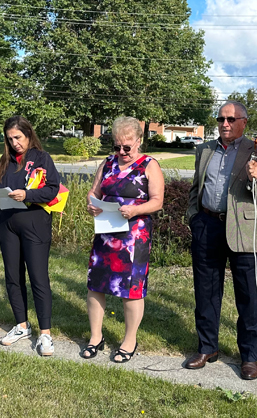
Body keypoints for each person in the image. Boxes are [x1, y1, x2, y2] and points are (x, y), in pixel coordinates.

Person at [185, 101, 257, 380]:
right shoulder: (205, 150)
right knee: (206, 291)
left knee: (248, 295)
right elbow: (195, 187)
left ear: (243, 122)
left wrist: (256, 179)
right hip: (207, 226)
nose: (224, 124)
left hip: (244, 231)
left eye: (231, 119)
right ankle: (207, 347)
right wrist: (194, 217)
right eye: (221, 118)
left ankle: (249, 357)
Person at [84, 117, 164, 362]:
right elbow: (94, 192)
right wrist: (91, 204)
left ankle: (129, 340)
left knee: (131, 289)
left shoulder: (149, 165)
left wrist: (135, 210)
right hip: (105, 234)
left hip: (134, 236)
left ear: (138, 142)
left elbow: (157, 201)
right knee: (96, 285)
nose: (121, 152)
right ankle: (95, 337)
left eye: (126, 147)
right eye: (116, 146)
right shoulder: (107, 163)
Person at [0, 116, 60, 356]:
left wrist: (27, 194)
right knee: (13, 277)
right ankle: (21, 326)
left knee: (38, 278)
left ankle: (45, 334)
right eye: (10, 139)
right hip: (7, 224)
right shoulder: (5, 161)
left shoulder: (42, 158)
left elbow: (52, 189)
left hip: (34, 224)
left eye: (18, 137)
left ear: (28, 135)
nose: (15, 143)